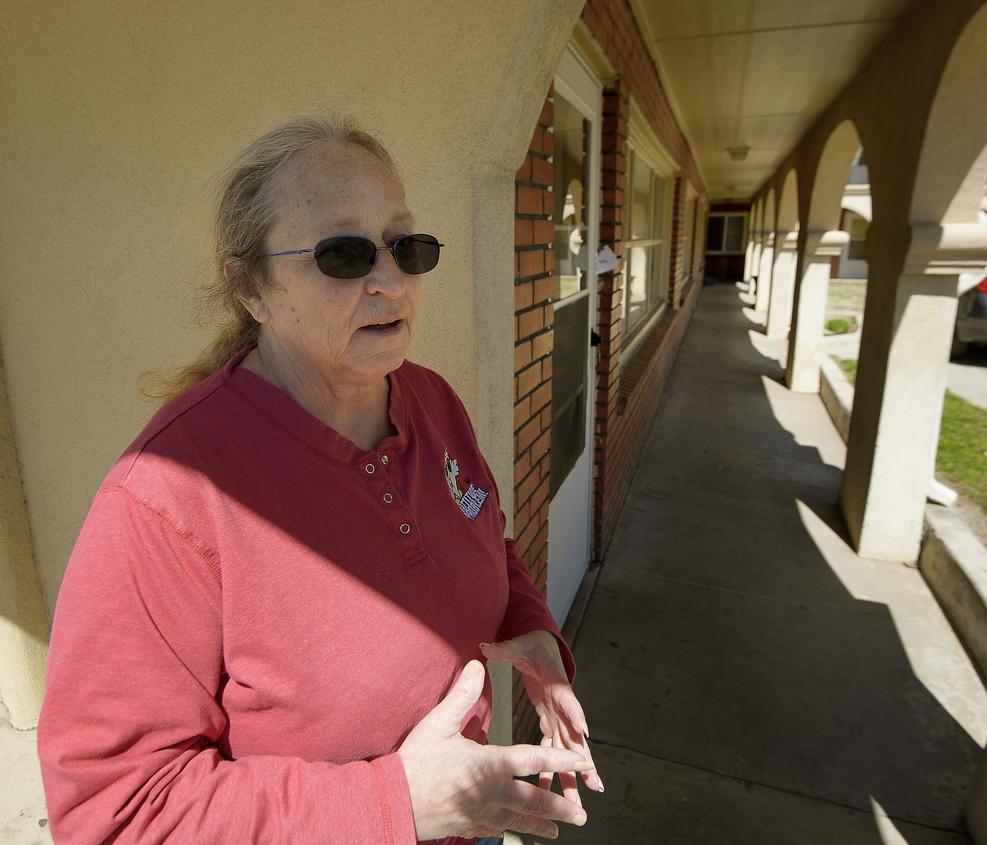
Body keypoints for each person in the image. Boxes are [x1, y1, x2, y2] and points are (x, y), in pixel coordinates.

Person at [37, 113, 602, 843]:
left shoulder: (431, 399)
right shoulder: (164, 499)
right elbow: (115, 812)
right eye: (344, 255)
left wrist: (528, 626)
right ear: (253, 289)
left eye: (404, 245)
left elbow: (486, 535)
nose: (391, 282)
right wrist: (396, 803)